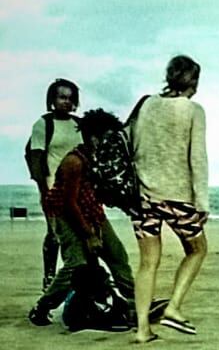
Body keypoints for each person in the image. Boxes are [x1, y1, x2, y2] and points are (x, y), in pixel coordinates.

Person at [27, 108, 136, 328]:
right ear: (94, 138)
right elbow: (69, 204)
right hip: (65, 215)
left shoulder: (98, 159)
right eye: (107, 138)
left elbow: (101, 194)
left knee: (117, 254)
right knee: (77, 263)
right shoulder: (74, 162)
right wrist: (88, 235)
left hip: (92, 212)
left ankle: (135, 302)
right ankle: (43, 306)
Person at [128, 55, 209, 343]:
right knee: (198, 249)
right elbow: (197, 158)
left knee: (148, 262)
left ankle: (141, 330)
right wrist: (202, 202)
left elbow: (133, 145)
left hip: (143, 196)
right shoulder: (193, 110)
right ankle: (173, 307)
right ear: (194, 82)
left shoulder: (147, 104)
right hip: (176, 195)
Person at [25, 78, 82, 291]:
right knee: (56, 234)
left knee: (80, 234)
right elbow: (36, 157)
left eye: (70, 98)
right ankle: (49, 279)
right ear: (52, 99)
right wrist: (44, 190)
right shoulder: (43, 124)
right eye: (61, 97)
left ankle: (77, 282)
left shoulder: (79, 125)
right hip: (52, 188)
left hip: (77, 188)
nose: (66, 102)